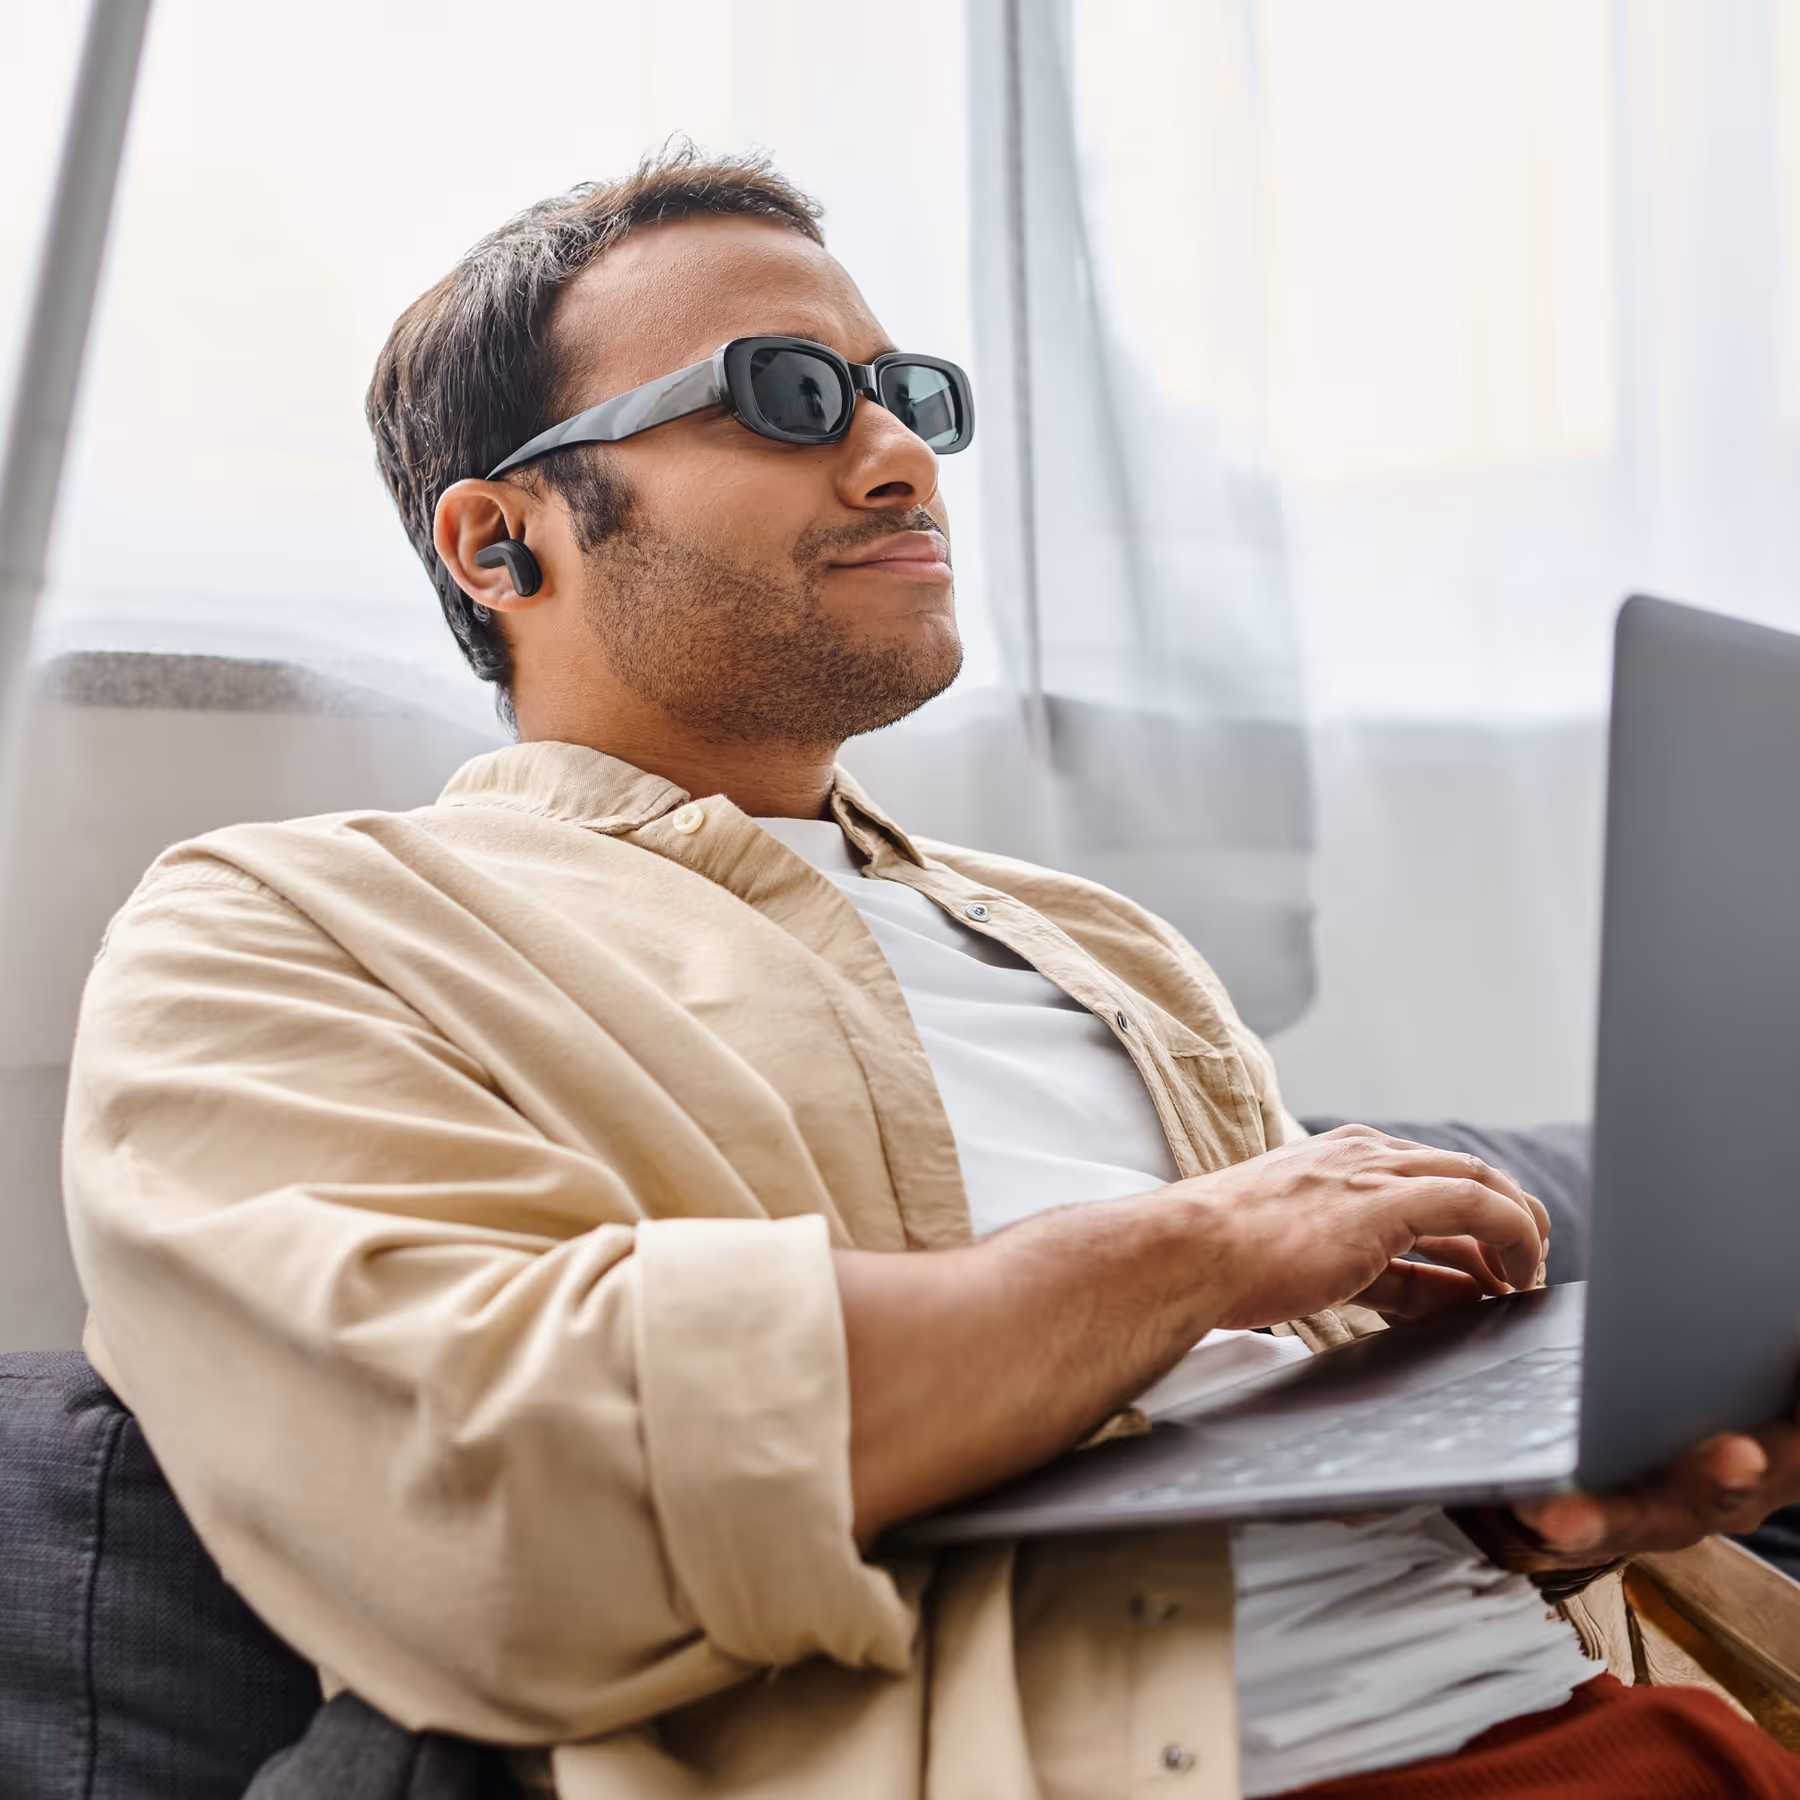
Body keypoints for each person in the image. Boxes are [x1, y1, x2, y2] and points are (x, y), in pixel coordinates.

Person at [62, 147, 1800, 1800]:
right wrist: (1191, 1252)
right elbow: (486, 1472)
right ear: (500, 539)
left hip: (1617, 1712)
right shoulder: (291, 926)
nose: (901, 457)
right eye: (787, 395)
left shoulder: (1106, 947)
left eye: (916, 399)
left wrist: (1498, 1480)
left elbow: (1200, 1433)